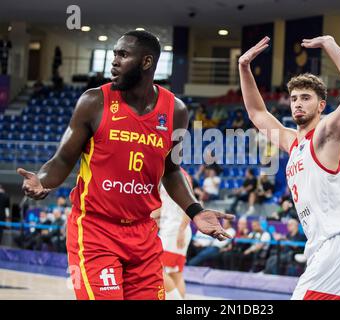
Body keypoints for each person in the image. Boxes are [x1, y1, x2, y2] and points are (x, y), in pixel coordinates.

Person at [16, 30, 233, 300]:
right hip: (95, 230)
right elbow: (62, 159)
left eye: (123, 54)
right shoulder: (94, 101)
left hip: (143, 234)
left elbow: (172, 170)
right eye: (114, 54)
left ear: (146, 62)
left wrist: (196, 211)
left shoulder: (175, 111)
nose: (114, 61)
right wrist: (43, 179)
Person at [239, 35, 340, 300]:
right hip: (330, 247)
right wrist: (243, 67)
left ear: (321, 105)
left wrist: (330, 44)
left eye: (306, 98)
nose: (298, 103)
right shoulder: (292, 142)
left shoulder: (325, 135)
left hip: (339, 244)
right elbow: (257, 113)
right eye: (294, 98)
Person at [151, 168, 192, 300]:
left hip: (176, 229)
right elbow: (163, 207)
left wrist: (182, 229)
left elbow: (191, 204)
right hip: (170, 228)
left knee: (157, 268)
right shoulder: (163, 176)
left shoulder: (180, 175)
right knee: (175, 273)